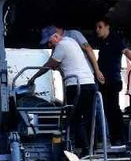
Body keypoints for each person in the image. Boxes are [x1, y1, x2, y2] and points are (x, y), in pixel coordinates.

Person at [30, 25, 99, 153]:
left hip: (76, 85)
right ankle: (92, 147)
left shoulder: (61, 46)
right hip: (89, 83)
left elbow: (50, 65)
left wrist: (33, 78)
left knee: (75, 117)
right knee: (89, 117)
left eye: (50, 42)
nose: (49, 45)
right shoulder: (71, 41)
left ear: (56, 36)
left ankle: (83, 149)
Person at [93, 18, 131, 141]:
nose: (97, 30)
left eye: (100, 27)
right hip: (103, 81)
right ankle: (109, 136)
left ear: (107, 27)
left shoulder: (114, 39)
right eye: (96, 27)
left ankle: (118, 137)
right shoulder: (103, 43)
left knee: (113, 109)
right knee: (105, 109)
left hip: (112, 80)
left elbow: (126, 51)